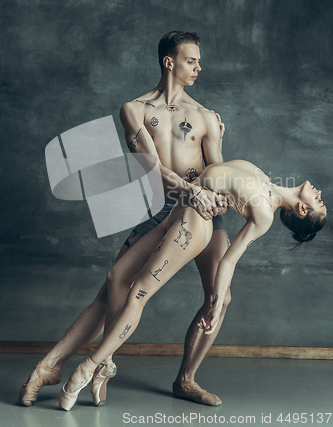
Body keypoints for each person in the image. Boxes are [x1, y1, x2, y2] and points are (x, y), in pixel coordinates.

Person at [19, 31, 231, 408]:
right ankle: (51, 367)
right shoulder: (134, 109)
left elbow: (220, 174)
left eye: (199, 61)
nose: (199, 67)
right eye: (191, 60)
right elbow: (150, 168)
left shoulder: (205, 116)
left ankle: (185, 379)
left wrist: (215, 169)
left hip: (200, 214)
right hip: (160, 210)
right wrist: (191, 189)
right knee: (113, 286)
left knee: (220, 296)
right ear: (169, 62)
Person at [58, 159, 327, 411]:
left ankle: (88, 368)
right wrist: (217, 131)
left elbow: (229, 261)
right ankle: (103, 365)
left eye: (319, 201)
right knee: (117, 279)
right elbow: (215, 165)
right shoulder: (263, 177)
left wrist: (216, 302)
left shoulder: (264, 215)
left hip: (195, 221)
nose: (319, 193)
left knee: (139, 293)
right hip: (176, 209)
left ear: (303, 209)